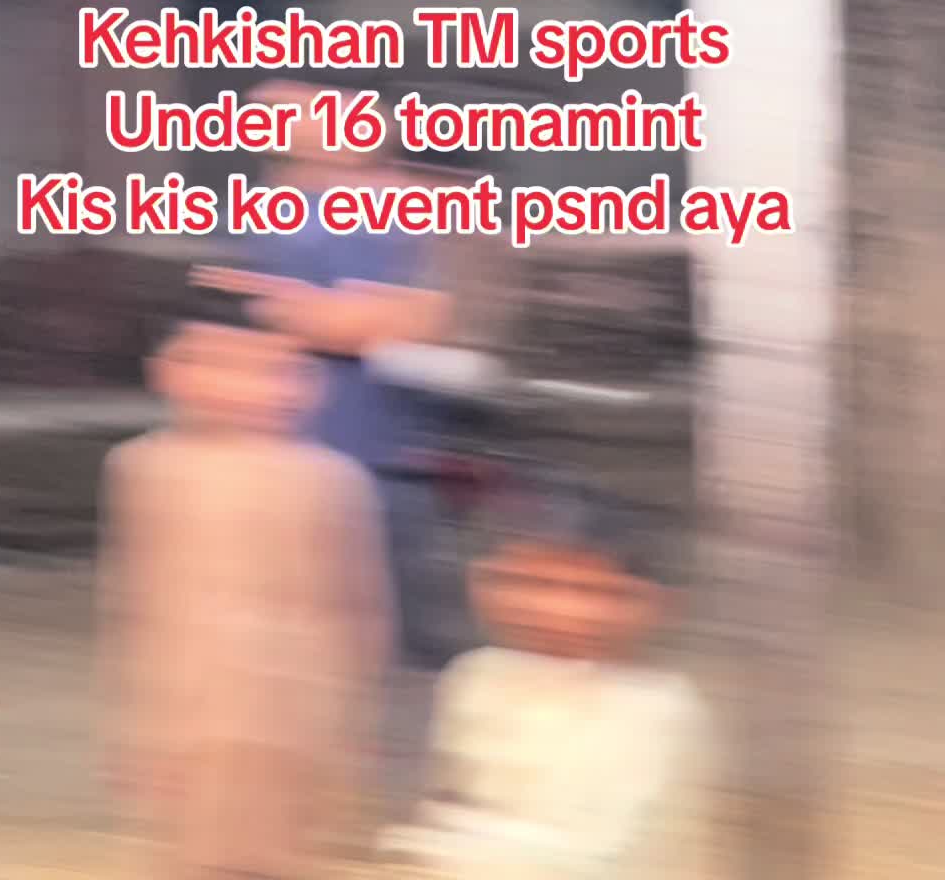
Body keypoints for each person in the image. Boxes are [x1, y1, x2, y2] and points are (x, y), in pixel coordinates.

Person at [96, 283, 393, 880]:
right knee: (193, 853)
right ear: (169, 372)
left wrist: (351, 724)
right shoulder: (145, 468)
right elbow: (134, 602)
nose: (246, 388)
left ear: (307, 384)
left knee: (279, 850)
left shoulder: (328, 480)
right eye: (219, 365)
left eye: (272, 370)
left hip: (294, 703)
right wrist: (137, 726)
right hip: (188, 702)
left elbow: (359, 608)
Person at [193, 81, 466, 673]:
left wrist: (290, 312)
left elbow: (415, 318)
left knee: (395, 619)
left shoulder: (393, 209)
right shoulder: (280, 210)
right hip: (300, 446)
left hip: (380, 447)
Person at [378, 489, 709, 880]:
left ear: (642, 602)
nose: (554, 608)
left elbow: (602, 857)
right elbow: (447, 806)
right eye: (529, 582)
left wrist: (437, 845)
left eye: (588, 591)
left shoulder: (658, 709)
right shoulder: (476, 677)